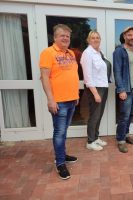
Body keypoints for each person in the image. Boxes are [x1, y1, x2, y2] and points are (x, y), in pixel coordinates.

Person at [40, 24, 79, 180]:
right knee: (59, 132)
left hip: (71, 100)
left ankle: (62, 154)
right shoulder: (48, 53)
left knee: (64, 131)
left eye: (68, 36)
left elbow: (72, 76)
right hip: (59, 102)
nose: (65, 38)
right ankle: (60, 163)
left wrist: (76, 95)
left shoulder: (70, 53)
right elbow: (44, 77)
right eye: (62, 35)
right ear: (55, 37)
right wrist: (51, 99)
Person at [113, 26, 133, 153]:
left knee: (130, 114)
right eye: (129, 35)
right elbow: (117, 71)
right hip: (127, 89)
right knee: (124, 116)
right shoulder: (119, 51)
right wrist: (121, 89)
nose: (132, 37)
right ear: (124, 36)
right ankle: (120, 140)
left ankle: (126, 134)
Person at [81, 31, 109, 151]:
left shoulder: (99, 53)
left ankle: (96, 137)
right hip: (95, 88)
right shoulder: (87, 53)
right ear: (88, 40)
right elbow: (87, 76)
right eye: (93, 38)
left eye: (98, 37)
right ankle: (90, 141)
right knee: (94, 115)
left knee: (99, 114)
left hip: (103, 86)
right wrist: (95, 93)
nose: (96, 39)